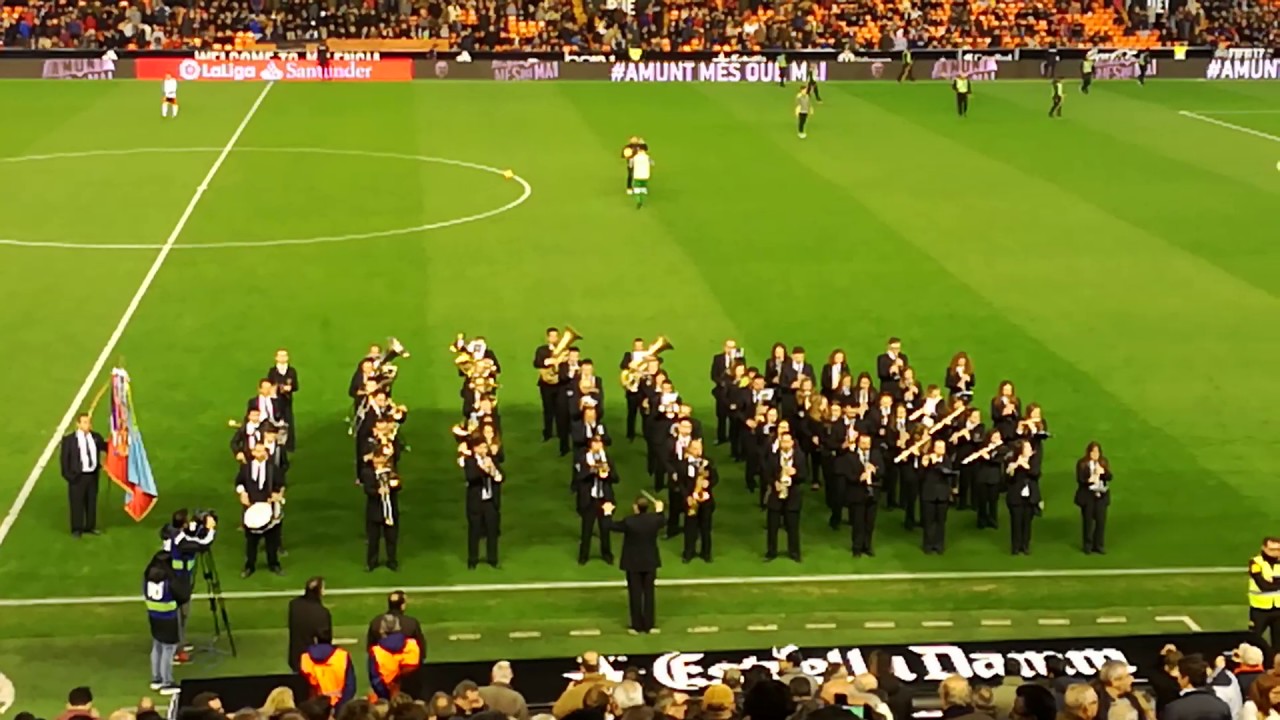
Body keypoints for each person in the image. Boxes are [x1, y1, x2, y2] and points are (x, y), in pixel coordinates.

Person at [602, 496, 666, 634]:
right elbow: (662, 520)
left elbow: (609, 526)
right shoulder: (654, 520)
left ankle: (636, 626)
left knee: (635, 594)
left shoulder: (630, 522)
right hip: (649, 562)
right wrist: (660, 510)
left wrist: (607, 512)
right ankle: (649, 625)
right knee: (649, 594)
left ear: (635, 507)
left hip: (633, 563)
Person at [235, 442, 284, 578]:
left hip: (268, 508)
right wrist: (242, 493)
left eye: (262, 451)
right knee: (251, 542)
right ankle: (249, 566)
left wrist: (276, 495)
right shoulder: (246, 468)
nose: (259, 453)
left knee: (271, 540)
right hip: (251, 508)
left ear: (266, 454)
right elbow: (239, 483)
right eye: (257, 451)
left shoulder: (273, 469)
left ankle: (273, 563)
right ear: (253, 453)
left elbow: (280, 485)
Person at [143, 550, 188, 695]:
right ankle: (166, 682)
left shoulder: (147, 577)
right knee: (168, 650)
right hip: (168, 618)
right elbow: (182, 596)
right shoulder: (169, 579)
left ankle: (156, 679)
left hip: (153, 616)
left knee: (157, 646)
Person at [59, 413, 107, 538]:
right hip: (78, 477)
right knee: (76, 503)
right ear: (78, 424)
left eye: (89, 422)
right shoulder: (69, 440)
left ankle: (90, 526)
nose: (88, 425)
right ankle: (77, 528)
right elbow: (64, 460)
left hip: (92, 475)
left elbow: (106, 448)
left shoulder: (96, 437)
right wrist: (70, 476)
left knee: (91, 502)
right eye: (85, 422)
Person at [575, 437, 617, 565]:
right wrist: (594, 470)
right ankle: (583, 556)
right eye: (595, 443)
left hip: (604, 500)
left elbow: (616, 478)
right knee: (586, 530)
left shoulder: (607, 459)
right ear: (590, 445)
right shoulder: (583, 459)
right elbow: (579, 476)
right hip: (590, 500)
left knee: (605, 528)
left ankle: (606, 554)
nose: (598, 445)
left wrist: (608, 473)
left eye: (600, 443)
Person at [765, 433, 806, 562]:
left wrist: (796, 474)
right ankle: (771, 552)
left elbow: (805, 475)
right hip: (776, 495)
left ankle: (794, 552)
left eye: (788, 442)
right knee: (772, 526)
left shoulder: (800, 457)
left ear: (792, 443)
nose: (786, 445)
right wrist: (774, 483)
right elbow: (766, 473)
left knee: (792, 526)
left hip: (793, 495)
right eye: (783, 442)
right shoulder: (773, 457)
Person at [463, 438, 503, 569]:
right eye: (481, 447)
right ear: (475, 449)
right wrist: (483, 469)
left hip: (490, 502)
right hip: (476, 502)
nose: (484, 450)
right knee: (474, 531)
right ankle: (472, 560)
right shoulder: (470, 461)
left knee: (492, 531)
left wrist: (492, 469)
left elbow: (500, 477)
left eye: (486, 448)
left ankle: (492, 559)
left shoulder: (492, 460)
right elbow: (471, 477)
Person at [367, 614, 422, 701]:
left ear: (382, 630)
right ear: (399, 627)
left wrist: (387, 697)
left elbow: (376, 681)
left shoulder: (376, 651)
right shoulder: (413, 645)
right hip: (412, 696)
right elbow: (420, 671)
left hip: (387, 696)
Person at [299, 631, 356, 710]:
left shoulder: (305, 657)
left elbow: (302, 687)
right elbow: (350, 685)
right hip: (338, 705)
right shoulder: (342, 656)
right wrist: (341, 707)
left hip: (313, 708)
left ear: (316, 640)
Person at [1164, 655, 1231, 720]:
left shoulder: (1173, 709)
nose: (1177, 679)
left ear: (1186, 678)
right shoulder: (1222, 707)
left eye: (1179, 675)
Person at [287, 576, 333, 672]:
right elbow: (325, 639)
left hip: (295, 658)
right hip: (312, 661)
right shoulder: (322, 613)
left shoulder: (293, 605)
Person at [1075, 442, 1111, 554]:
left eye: (1097, 452)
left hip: (1101, 496)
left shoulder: (1103, 462)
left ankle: (1099, 545)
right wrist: (1090, 479)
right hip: (1088, 496)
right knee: (1088, 522)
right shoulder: (1082, 463)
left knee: (1100, 522)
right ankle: (1087, 545)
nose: (1095, 454)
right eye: (1093, 452)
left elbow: (1109, 477)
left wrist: (1103, 472)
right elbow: (1080, 479)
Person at [1006, 439, 1039, 555]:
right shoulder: (1012, 460)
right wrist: (1014, 467)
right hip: (1016, 498)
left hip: (1030, 497)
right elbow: (1009, 479)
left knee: (1027, 523)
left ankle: (1025, 546)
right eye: (1027, 448)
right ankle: (1015, 546)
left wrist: (1025, 465)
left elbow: (1036, 474)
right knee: (1016, 523)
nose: (1030, 450)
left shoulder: (1034, 461)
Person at [1248, 537, 1280, 649]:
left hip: (1278, 610)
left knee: (1278, 643)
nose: (1275, 552)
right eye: (1271, 549)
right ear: (1264, 548)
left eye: (1278, 549)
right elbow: (1263, 586)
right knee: (1253, 640)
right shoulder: (1255, 562)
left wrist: (1273, 582)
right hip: (1259, 610)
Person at [265, 348, 299, 451]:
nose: (282, 358)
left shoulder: (291, 371)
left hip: (287, 401)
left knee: (288, 421)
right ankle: (276, 442)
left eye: (284, 355)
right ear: (276, 358)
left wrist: (290, 388)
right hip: (275, 401)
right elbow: (269, 385)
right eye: (280, 355)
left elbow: (296, 386)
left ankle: (289, 445)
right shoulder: (272, 371)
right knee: (275, 420)